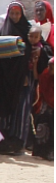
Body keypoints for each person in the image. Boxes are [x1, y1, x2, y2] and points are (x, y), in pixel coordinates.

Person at [0, 2, 33, 155]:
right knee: (3, 108)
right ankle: (2, 143)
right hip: (4, 78)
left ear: (22, 15)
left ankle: (16, 144)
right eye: (12, 14)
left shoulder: (29, 32)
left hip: (21, 78)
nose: (14, 17)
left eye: (17, 14)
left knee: (20, 109)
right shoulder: (3, 32)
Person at [30, 24, 54, 160]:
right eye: (50, 66)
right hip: (45, 106)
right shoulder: (45, 74)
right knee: (42, 126)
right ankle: (40, 151)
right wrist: (34, 65)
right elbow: (37, 78)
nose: (50, 69)